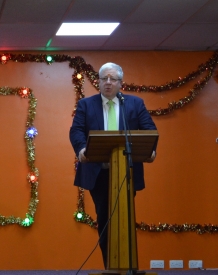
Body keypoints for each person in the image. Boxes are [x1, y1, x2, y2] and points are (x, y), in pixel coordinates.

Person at [69, 62, 157, 269]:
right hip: (98, 173)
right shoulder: (86, 104)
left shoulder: (134, 104)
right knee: (105, 220)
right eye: (103, 79)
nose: (108, 83)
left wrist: (151, 151)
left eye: (112, 79)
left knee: (126, 219)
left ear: (120, 83)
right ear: (98, 82)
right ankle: (111, 266)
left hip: (126, 172)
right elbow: (77, 131)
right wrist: (82, 150)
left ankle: (128, 266)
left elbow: (149, 130)